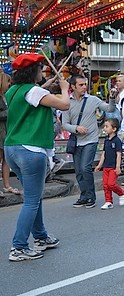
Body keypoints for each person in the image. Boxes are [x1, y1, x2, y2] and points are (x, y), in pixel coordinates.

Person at [4, 53, 70, 261]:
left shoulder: (13, 91)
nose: (43, 72)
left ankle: (41, 236)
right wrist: (65, 89)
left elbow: (35, 95)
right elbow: (64, 105)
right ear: (34, 72)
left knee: (34, 197)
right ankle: (19, 246)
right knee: (32, 200)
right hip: (31, 150)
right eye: (41, 69)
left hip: (13, 149)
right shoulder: (34, 91)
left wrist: (47, 85)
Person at [63, 74, 116, 209]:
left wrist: (112, 98)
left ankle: (91, 196)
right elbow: (64, 124)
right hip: (76, 141)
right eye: (81, 85)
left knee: (85, 168)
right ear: (73, 87)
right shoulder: (67, 102)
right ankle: (83, 196)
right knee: (78, 171)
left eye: (85, 84)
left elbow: (109, 109)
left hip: (91, 140)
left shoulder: (93, 99)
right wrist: (76, 128)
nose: (84, 87)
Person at [94, 118, 124, 210]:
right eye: (104, 126)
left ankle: (122, 193)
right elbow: (104, 153)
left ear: (114, 129)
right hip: (106, 166)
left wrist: (117, 167)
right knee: (105, 185)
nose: (105, 128)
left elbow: (119, 154)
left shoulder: (117, 141)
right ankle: (108, 201)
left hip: (113, 167)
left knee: (111, 184)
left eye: (107, 126)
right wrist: (100, 165)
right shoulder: (106, 140)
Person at [1, 67, 22, 198]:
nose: (9, 84)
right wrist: (10, 112)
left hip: (6, 131)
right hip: (1, 131)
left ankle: (7, 185)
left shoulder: (5, 96)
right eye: (8, 82)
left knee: (6, 160)